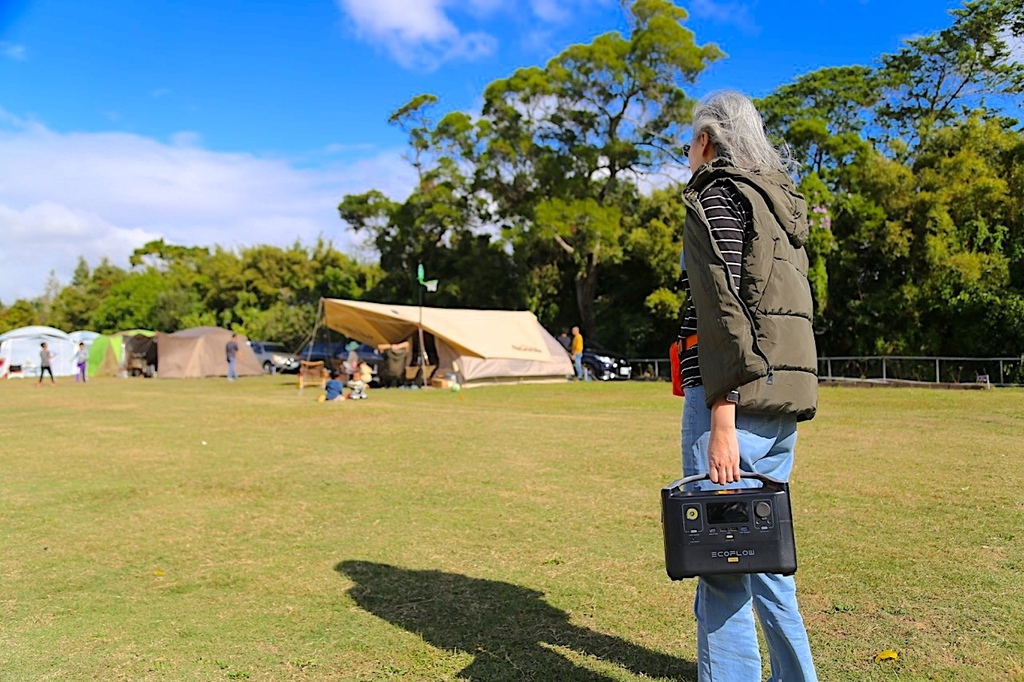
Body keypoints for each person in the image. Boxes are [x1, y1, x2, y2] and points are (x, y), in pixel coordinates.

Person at [677, 90, 819, 682]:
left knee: (723, 565)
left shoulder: (715, 193)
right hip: (782, 406)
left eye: (690, 140)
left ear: (708, 139)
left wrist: (721, 418)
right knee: (768, 559)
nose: (687, 151)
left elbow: (722, 312)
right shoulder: (779, 205)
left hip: (733, 404)